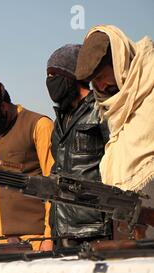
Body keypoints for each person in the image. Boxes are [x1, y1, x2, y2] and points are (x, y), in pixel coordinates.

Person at [75, 25, 154, 238]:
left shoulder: (150, 91)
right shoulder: (112, 108)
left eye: (101, 75)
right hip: (132, 232)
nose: (99, 86)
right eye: (94, 81)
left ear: (119, 61)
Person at [0, 78, 54, 251]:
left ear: (3, 106)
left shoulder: (39, 125)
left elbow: (53, 187)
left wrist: (49, 238)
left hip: (33, 240)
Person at [46, 44, 111, 248]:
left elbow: (114, 166)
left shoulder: (101, 110)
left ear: (71, 76)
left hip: (93, 229)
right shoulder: (59, 120)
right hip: (61, 230)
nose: (49, 82)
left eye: (53, 75)